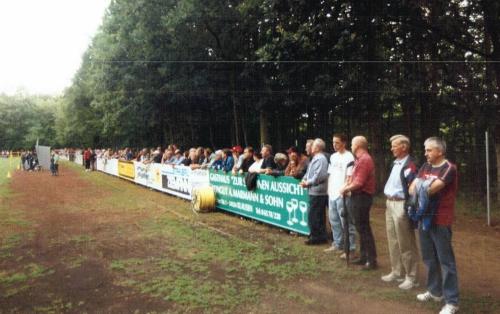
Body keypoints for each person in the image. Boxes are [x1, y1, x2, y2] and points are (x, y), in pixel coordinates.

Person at [409, 137, 459, 314]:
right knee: (429, 258)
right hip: (424, 218)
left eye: (428, 150)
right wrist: (422, 185)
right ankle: (434, 291)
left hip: (440, 219)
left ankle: (451, 301)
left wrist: (422, 185)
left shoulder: (449, 168)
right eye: (425, 150)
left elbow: (432, 189)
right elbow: (412, 188)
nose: (425, 153)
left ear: (439, 151)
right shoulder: (425, 166)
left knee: (446, 261)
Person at [381, 135, 419, 289]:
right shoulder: (395, 163)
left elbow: (414, 188)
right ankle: (396, 271)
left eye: (394, 145)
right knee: (393, 240)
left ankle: (411, 277)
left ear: (404, 147)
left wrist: (408, 207)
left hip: (401, 204)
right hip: (390, 203)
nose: (391, 148)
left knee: (406, 242)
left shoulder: (411, 165)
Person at [340, 135, 377, 270]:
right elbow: (354, 179)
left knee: (363, 228)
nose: (351, 146)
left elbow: (359, 182)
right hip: (359, 197)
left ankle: (371, 260)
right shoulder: (360, 160)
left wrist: (345, 188)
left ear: (358, 146)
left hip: (362, 197)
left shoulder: (364, 160)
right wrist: (348, 185)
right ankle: (364, 257)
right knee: (361, 228)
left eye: (352, 144)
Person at [324, 134, 356, 259]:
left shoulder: (349, 157)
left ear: (344, 143)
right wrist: (329, 189)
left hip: (343, 194)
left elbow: (350, 177)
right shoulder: (332, 157)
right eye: (333, 142)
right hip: (332, 193)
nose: (334, 145)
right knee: (334, 220)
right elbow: (330, 174)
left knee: (346, 222)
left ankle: (351, 248)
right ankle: (338, 243)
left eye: (337, 142)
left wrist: (345, 189)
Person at [300, 138, 329, 245]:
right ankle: (319, 236)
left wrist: (307, 183)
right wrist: (304, 179)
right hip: (314, 190)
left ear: (316, 148)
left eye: (312, 146)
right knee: (317, 214)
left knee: (314, 215)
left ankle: (317, 237)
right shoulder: (315, 158)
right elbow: (309, 173)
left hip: (318, 191)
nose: (310, 147)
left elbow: (320, 176)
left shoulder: (321, 159)